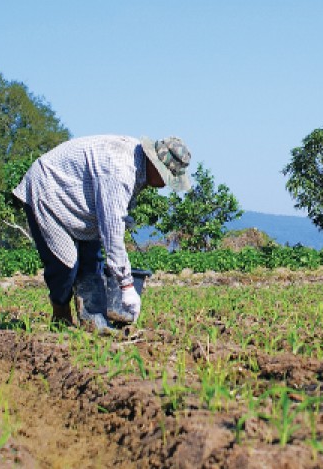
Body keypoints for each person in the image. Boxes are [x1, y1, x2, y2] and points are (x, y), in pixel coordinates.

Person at [13, 135, 191, 332]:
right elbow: (112, 231)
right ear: (156, 166)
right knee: (65, 267)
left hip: (81, 201)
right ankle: (60, 315)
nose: (166, 184)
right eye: (167, 176)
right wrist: (126, 286)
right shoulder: (119, 170)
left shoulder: (136, 163)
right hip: (48, 190)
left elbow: (114, 213)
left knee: (92, 261)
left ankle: (93, 320)